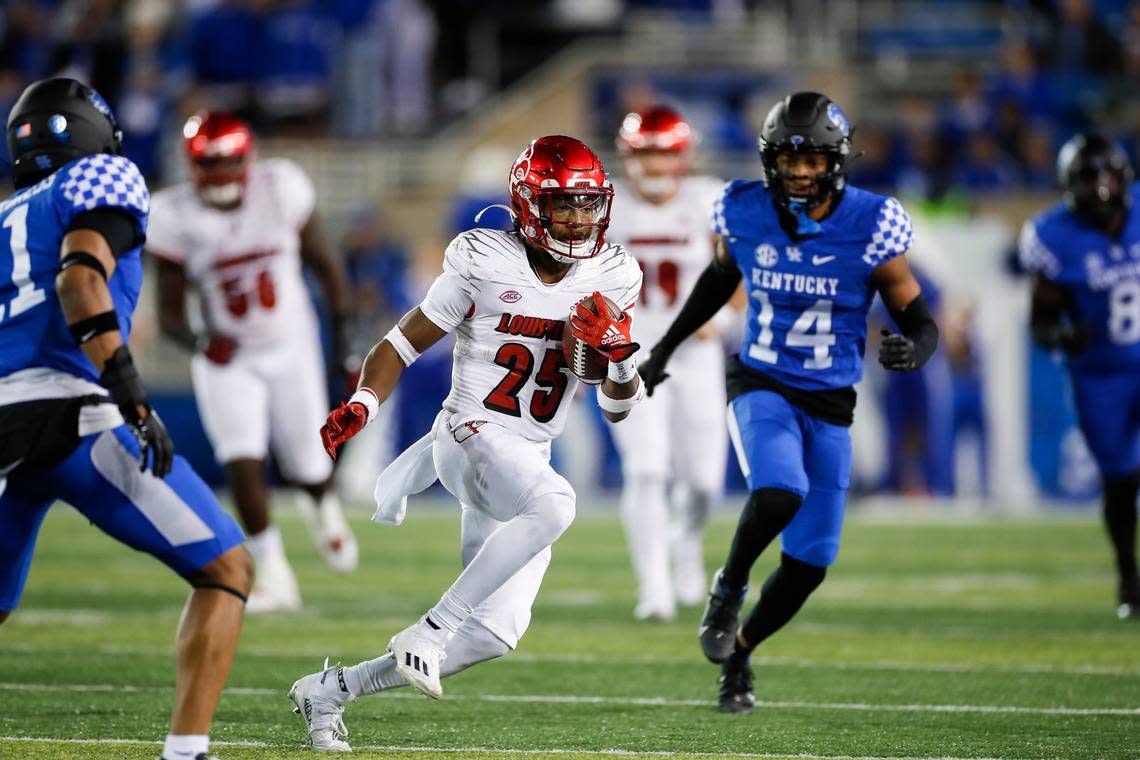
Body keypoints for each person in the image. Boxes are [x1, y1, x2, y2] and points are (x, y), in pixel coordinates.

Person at [287, 135, 643, 751]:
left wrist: (615, 360)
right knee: (557, 506)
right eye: (565, 206)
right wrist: (363, 403)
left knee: (491, 636)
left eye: (589, 205)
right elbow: (400, 344)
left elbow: (617, 407)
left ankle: (330, 692)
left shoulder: (615, 274)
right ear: (530, 205)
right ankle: (427, 628)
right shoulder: (485, 259)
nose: (580, 219)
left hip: (525, 454)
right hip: (467, 432)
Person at [639, 92, 939, 713]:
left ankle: (741, 652)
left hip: (830, 402)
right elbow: (720, 279)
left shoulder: (874, 222)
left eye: (813, 160)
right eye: (789, 159)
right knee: (779, 491)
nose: (801, 171)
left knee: (810, 565)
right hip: (762, 380)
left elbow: (917, 315)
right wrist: (664, 349)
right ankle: (727, 586)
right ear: (770, 159)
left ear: (837, 161)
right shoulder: (743, 209)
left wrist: (918, 347)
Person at [0, 78, 251, 760]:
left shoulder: (5, 215)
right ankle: (187, 752)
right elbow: (79, 279)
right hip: (68, 407)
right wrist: (132, 395)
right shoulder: (100, 175)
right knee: (227, 569)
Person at [146, 112, 358, 613]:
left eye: (227, 162)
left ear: (248, 159)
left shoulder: (281, 189)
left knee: (308, 459)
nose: (220, 174)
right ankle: (275, 573)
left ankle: (325, 510)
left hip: (290, 342)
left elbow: (327, 266)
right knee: (241, 460)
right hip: (229, 355)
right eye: (209, 164)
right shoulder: (174, 214)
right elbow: (172, 314)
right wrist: (201, 341)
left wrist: (345, 341)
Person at [605, 104, 735, 621]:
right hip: (629, 356)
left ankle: (685, 542)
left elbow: (737, 270)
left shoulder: (709, 199)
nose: (655, 165)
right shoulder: (605, 205)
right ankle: (653, 586)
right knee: (646, 469)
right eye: (645, 153)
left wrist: (721, 322)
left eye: (663, 153)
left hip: (696, 353)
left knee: (704, 481)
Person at [1020, 133, 1140, 620]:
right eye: (1089, 179)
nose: (1101, 188)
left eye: (1106, 176)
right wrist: (1061, 335)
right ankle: (1129, 574)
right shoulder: (1054, 235)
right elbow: (1041, 322)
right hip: (1099, 377)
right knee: (1120, 479)